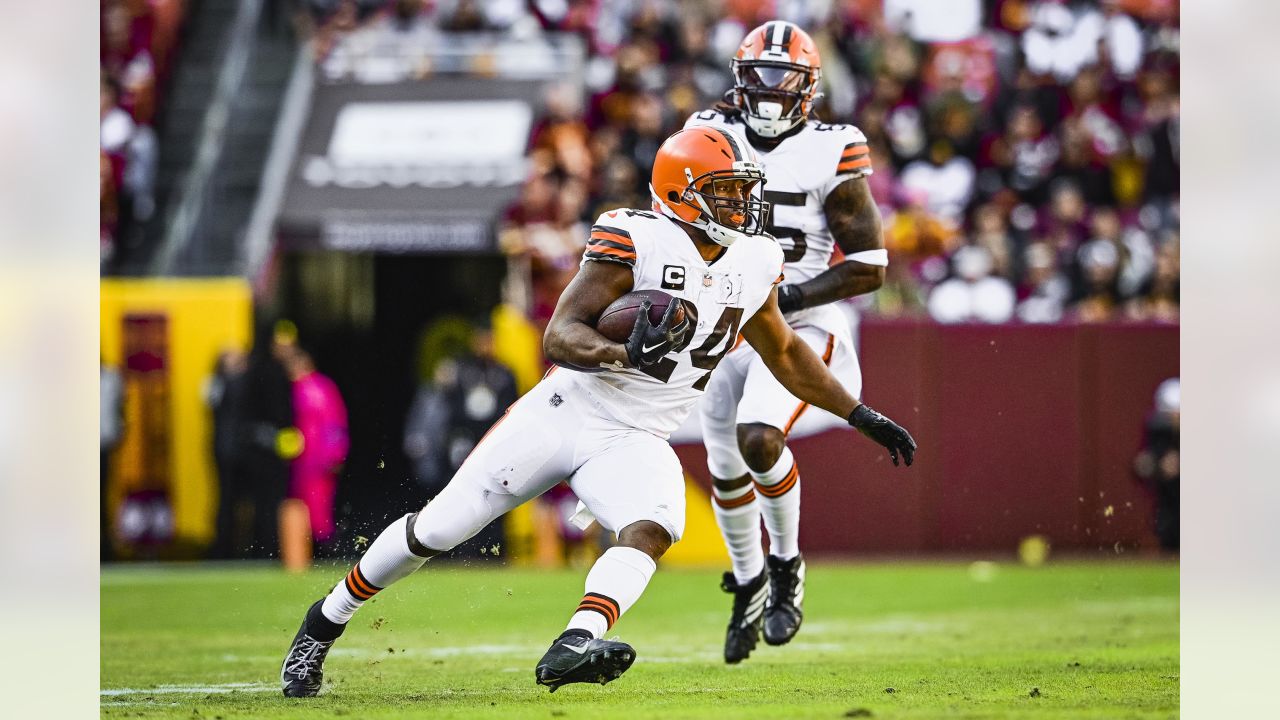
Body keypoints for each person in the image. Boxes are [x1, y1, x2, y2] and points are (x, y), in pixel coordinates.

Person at [279, 127, 916, 697]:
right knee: (438, 531)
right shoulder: (638, 236)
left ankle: (575, 642)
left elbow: (783, 351)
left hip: (639, 431)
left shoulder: (753, 261)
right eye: (725, 192)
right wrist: (622, 350)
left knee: (654, 524)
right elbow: (560, 336)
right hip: (570, 408)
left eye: (741, 191)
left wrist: (860, 414)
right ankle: (324, 620)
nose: (742, 205)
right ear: (683, 193)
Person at [683, 21, 890, 663]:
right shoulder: (708, 133)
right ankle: (746, 580)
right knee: (721, 458)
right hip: (728, 319)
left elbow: (872, 263)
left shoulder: (836, 146)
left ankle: (786, 570)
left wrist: (786, 297)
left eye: (784, 81)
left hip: (801, 320)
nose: (770, 94)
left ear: (809, 89)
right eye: (759, 79)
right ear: (738, 81)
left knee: (758, 436)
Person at [279, 345, 350, 550]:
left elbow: (334, 422)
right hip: (301, 460)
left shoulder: (321, 388)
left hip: (319, 459)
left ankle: (327, 551)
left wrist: (336, 454)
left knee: (319, 508)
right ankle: (304, 552)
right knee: (301, 507)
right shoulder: (294, 389)